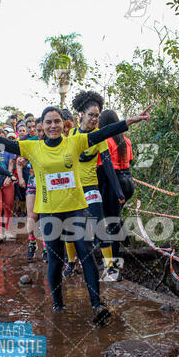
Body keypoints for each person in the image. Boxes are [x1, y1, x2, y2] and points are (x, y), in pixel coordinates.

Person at [0, 103, 150, 324]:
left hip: (76, 208)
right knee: (56, 261)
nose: (53, 126)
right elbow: (6, 144)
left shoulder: (75, 142)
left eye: (57, 121)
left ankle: (97, 304)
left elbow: (104, 132)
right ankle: (58, 306)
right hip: (49, 212)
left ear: (63, 124)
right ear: (42, 125)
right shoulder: (34, 148)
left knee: (86, 254)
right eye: (48, 122)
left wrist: (130, 121)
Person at [64, 90, 125, 282]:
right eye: (91, 115)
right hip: (72, 188)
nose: (94, 119)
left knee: (100, 226)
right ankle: (71, 262)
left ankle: (110, 268)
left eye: (97, 115)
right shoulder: (71, 134)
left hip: (91, 187)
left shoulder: (100, 137)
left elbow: (107, 165)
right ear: (81, 114)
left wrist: (118, 192)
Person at [97, 109, 135, 259]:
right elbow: (130, 161)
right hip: (128, 181)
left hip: (114, 182)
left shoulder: (105, 141)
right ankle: (125, 241)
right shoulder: (126, 140)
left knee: (112, 220)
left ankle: (113, 259)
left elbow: (102, 168)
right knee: (116, 214)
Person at [16, 116, 47, 261]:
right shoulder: (31, 142)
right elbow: (21, 158)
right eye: (38, 130)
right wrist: (22, 161)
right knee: (31, 216)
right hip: (34, 180)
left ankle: (47, 247)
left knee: (46, 216)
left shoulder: (54, 141)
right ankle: (32, 242)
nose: (40, 133)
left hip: (49, 183)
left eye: (42, 130)